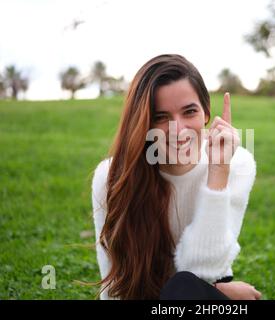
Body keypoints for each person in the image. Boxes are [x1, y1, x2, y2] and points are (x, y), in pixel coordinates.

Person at [91, 54, 261, 300]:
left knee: (184, 287)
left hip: (201, 292)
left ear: (206, 113)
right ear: (142, 122)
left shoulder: (237, 164)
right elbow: (116, 286)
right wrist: (222, 291)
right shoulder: (111, 176)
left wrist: (218, 171)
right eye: (161, 117)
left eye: (189, 111)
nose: (178, 130)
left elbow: (204, 270)